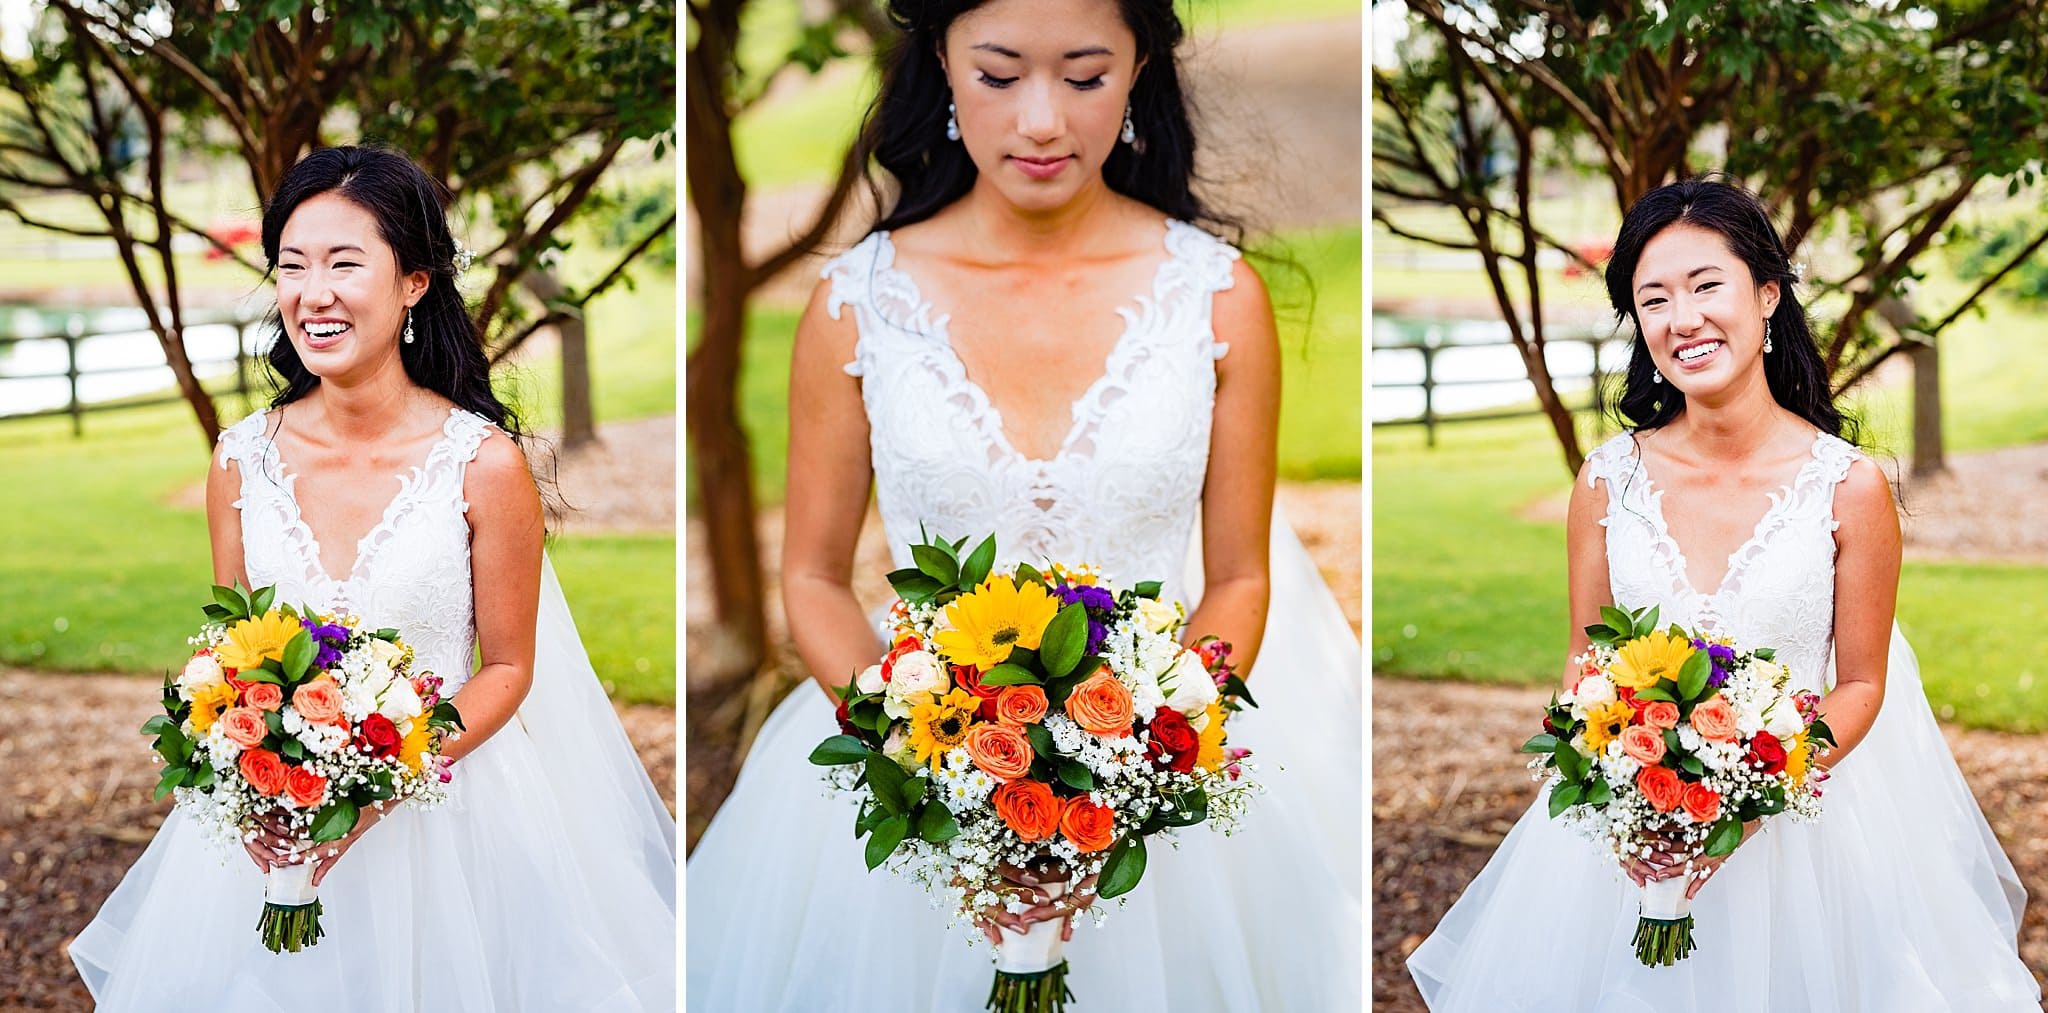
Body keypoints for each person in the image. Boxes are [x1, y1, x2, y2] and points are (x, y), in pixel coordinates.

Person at [685, 0, 1361, 1009]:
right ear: (943, 73)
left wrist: (1140, 758)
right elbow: (813, 576)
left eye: (1083, 76)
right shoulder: (852, 303)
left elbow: (1238, 574)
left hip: (1152, 778)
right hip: (911, 766)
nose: (1040, 120)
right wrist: (930, 754)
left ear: (1137, 75)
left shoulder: (1218, 298)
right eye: (999, 75)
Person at [1406, 178, 2040, 1011]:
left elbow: (1861, 683)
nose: (1685, 318)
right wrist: (1619, 792)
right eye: (1655, 299)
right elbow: (1586, 656)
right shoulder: (1606, 480)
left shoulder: (1847, 488)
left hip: (1811, 842)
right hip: (1636, 833)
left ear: (1767, 293)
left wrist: (1743, 802)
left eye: (1708, 285)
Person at [68, 146, 676, 1010]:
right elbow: (233, 652)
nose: (314, 292)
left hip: (450, 827)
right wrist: (247, 773)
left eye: (345, 263)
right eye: (293, 265)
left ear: (414, 284)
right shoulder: (240, 459)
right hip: (273, 831)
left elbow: (507, 667)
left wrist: (378, 778)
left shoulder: (482, 463)